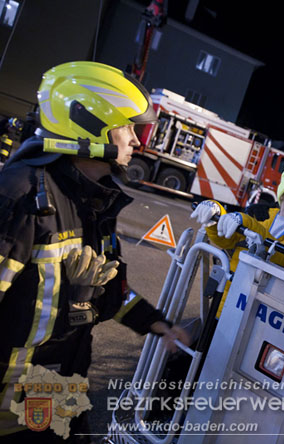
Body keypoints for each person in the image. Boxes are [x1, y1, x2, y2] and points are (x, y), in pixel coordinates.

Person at [0, 61, 190, 442]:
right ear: (87, 121)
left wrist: (159, 325)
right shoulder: (22, 197)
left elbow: (112, 290)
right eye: (128, 127)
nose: (138, 142)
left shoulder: (93, 203)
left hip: (59, 388)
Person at [190, 169, 284, 315]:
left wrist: (246, 222)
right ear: (283, 194)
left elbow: (280, 257)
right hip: (227, 292)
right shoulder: (262, 214)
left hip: (260, 309)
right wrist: (215, 214)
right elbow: (226, 240)